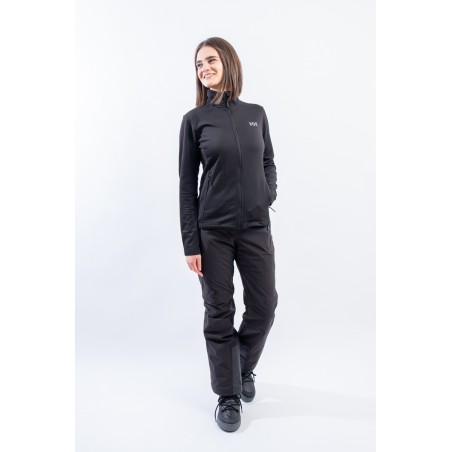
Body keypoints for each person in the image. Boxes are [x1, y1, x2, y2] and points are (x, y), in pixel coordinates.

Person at [178, 36, 278, 433]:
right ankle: (228, 395)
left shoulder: (256, 114)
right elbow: (187, 185)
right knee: (219, 312)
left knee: (265, 306)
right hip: (212, 233)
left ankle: (241, 368)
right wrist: (191, 242)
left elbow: (268, 161)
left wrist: (267, 193)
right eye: (198, 64)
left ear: (228, 63)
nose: (204, 68)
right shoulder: (194, 120)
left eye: (210, 60)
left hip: (255, 227)